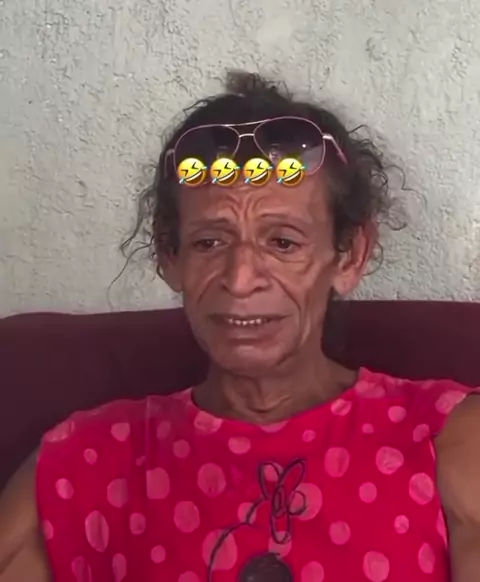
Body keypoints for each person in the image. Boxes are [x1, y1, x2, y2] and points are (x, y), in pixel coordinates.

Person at [0, 71, 479, 582]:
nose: (241, 279)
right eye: (209, 242)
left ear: (349, 254)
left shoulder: (447, 441)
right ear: (170, 255)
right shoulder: (83, 464)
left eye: (283, 242)